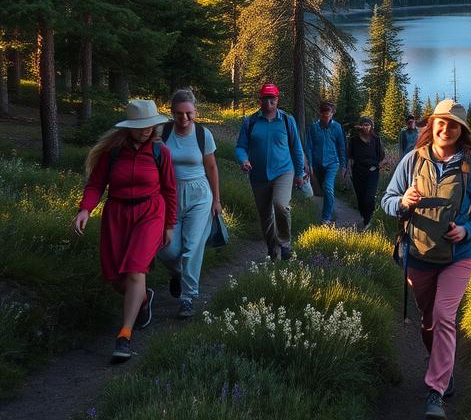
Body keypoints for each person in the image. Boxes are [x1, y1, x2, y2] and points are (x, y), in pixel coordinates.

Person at [381, 99, 471, 420]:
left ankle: (436, 391)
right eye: (441, 123)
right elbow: (387, 201)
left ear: (462, 131)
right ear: (431, 125)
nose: (446, 129)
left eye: (454, 125)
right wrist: (403, 201)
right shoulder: (411, 161)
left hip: (457, 257)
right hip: (418, 256)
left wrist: (467, 229)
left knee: (445, 316)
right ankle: (443, 367)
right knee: (428, 321)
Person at [73, 99, 177, 363]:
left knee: (135, 269)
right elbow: (96, 184)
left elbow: (169, 191)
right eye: (141, 126)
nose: (147, 130)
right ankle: (143, 298)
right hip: (117, 214)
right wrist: (85, 209)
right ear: (129, 127)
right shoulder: (113, 153)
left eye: (150, 125)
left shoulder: (159, 152)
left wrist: (170, 225)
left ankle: (124, 335)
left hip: (150, 213)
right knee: (115, 277)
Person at [155, 89, 220, 319]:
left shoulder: (204, 134)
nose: (184, 119)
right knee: (165, 247)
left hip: (199, 195)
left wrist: (217, 200)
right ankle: (178, 274)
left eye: (189, 114)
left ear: (195, 112)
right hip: (169, 196)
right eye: (179, 114)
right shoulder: (163, 133)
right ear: (171, 112)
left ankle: (188, 297)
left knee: (192, 246)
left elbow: (211, 167)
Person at [235, 83, 305, 260]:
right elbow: (241, 147)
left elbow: (296, 148)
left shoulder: (287, 120)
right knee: (265, 215)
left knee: (281, 206)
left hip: (283, 171)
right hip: (258, 174)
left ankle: (286, 244)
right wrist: (244, 160)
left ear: (277, 100)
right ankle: (272, 249)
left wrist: (299, 174)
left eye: (272, 99)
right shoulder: (250, 122)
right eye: (265, 99)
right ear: (260, 100)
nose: (269, 103)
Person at [306, 100, 346, 225]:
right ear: (320, 113)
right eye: (323, 113)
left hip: (332, 163)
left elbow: (341, 146)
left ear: (332, 113)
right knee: (324, 189)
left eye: (328, 113)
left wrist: (343, 165)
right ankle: (330, 211)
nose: (326, 116)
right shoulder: (313, 127)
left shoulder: (337, 127)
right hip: (317, 164)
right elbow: (309, 147)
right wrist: (310, 165)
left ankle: (325, 218)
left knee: (328, 186)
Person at [347, 116, 386, 230]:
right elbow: (350, 156)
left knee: (369, 197)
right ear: (360, 126)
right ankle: (365, 219)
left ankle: (370, 220)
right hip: (358, 172)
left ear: (371, 126)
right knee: (360, 198)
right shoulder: (354, 140)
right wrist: (348, 170)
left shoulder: (376, 139)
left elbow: (381, 155)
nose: (366, 127)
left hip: (372, 172)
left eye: (368, 125)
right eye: (364, 125)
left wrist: (377, 165)